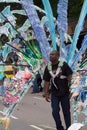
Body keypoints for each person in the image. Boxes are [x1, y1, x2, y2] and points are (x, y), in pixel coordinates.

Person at [43, 50, 73, 130]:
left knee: (66, 112)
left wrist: (71, 89)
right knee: (55, 112)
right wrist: (46, 93)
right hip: (55, 94)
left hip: (65, 93)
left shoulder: (64, 65)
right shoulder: (48, 67)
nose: (50, 56)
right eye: (50, 54)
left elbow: (70, 76)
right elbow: (46, 81)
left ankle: (69, 127)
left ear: (57, 56)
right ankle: (60, 128)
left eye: (53, 54)